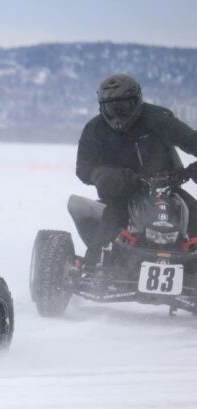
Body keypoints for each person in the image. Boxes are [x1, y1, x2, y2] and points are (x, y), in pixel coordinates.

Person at [76, 73, 197, 265]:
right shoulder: (95, 130)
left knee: (193, 214)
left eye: (123, 107)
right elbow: (83, 167)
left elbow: (191, 140)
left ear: (137, 101)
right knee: (110, 224)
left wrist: (192, 171)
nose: (117, 115)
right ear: (101, 107)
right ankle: (93, 269)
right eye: (111, 108)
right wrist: (105, 176)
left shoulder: (159, 119)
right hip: (123, 193)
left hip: (170, 188)